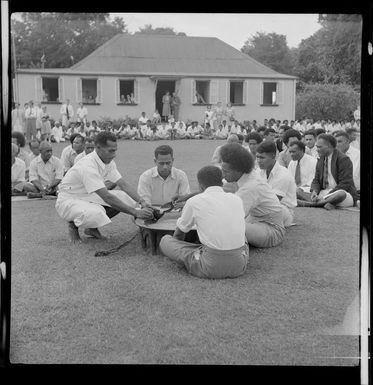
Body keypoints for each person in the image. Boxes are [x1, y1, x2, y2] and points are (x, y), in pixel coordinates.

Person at [55, 131, 154, 242]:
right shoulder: (87, 166)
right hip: (69, 199)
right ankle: (73, 225)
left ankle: (91, 230)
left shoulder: (108, 161)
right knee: (96, 213)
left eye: (115, 150)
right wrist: (136, 212)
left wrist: (142, 202)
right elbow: (107, 197)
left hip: (88, 196)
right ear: (98, 148)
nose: (114, 154)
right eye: (111, 151)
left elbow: (123, 184)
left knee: (125, 199)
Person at [159, 165, 249, 279]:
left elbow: (179, 234)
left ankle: (200, 254)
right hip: (239, 265)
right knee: (242, 237)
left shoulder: (193, 201)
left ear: (200, 184)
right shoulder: (236, 199)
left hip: (209, 266)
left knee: (165, 241)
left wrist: (177, 246)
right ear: (221, 181)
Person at [219, 143, 285, 248]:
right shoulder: (247, 175)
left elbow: (232, 216)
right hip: (253, 220)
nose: (222, 174)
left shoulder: (251, 187)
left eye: (226, 171)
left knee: (228, 225)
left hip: (271, 229)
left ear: (238, 171)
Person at [297, 134, 358, 210]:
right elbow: (316, 180)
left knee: (340, 194)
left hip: (341, 193)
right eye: (317, 147)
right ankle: (326, 203)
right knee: (298, 191)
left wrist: (328, 195)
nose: (317, 149)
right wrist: (315, 192)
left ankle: (312, 204)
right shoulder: (321, 159)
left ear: (329, 146)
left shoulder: (343, 159)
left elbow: (345, 184)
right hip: (324, 192)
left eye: (319, 147)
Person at [256, 141, 297, 227]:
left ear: (273, 156)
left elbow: (273, 202)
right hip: (263, 207)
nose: (258, 161)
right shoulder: (259, 171)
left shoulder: (283, 174)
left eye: (262, 158)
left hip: (283, 210)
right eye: (257, 157)